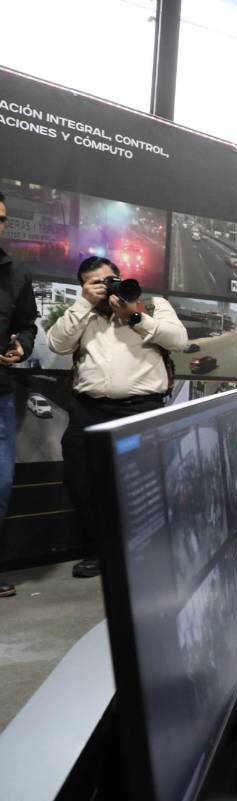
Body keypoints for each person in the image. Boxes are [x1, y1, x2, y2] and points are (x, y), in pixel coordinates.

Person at [48, 256, 187, 578]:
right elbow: (57, 344)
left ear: (120, 277)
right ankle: (99, 552)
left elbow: (178, 341)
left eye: (109, 280)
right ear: (84, 286)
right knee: (82, 482)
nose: (105, 287)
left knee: (145, 484)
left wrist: (134, 316)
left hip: (141, 409)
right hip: (88, 410)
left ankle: (147, 554)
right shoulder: (82, 313)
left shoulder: (152, 304)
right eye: (95, 283)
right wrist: (84, 303)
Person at [0, 192, 38, 598]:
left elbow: (27, 325)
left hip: (1, 395)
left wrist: (21, 347)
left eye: (1, 219)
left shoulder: (16, 274)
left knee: (1, 485)